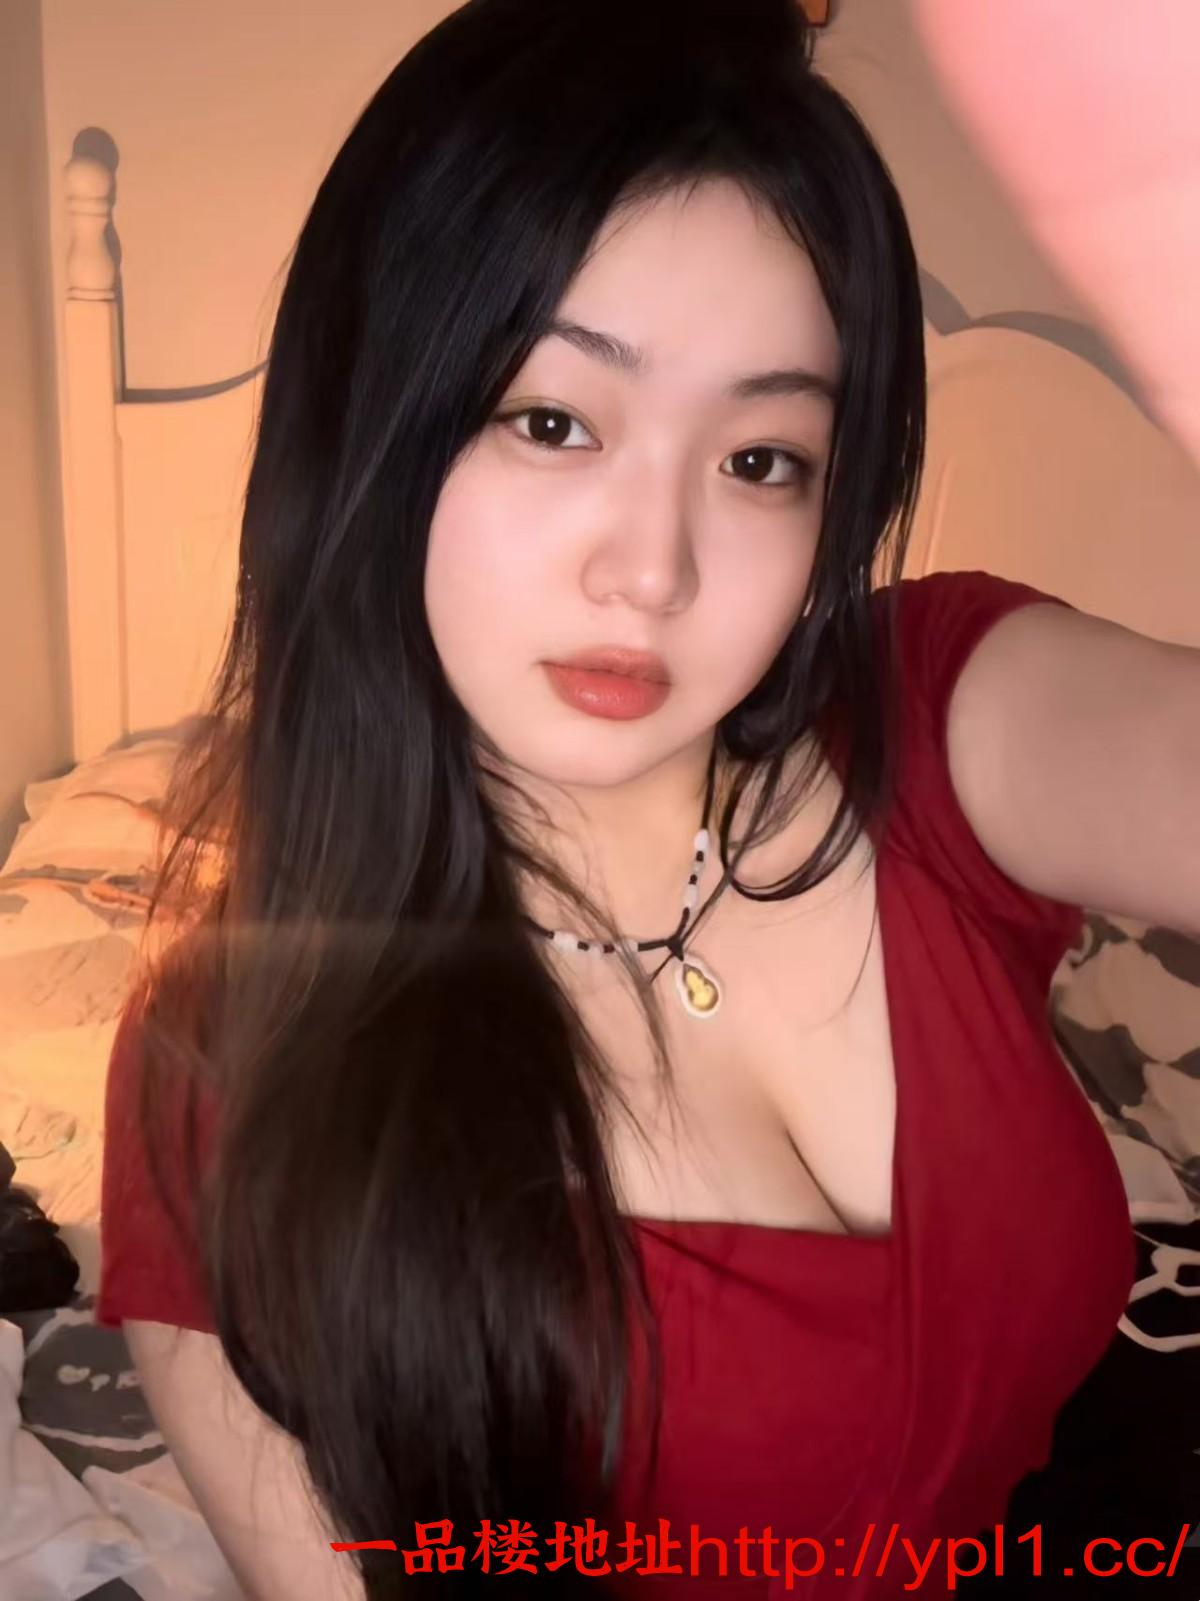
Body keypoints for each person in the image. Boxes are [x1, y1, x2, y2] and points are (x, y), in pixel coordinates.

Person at [95, 1, 1200, 1597]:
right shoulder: (234, 1060)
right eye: (553, 422)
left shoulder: (932, 712)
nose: (655, 568)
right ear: (371, 425)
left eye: (761, 459)